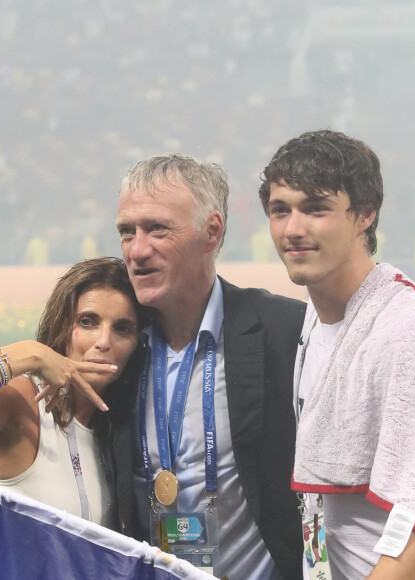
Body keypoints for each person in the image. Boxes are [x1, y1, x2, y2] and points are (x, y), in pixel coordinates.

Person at [259, 129, 415, 579]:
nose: (293, 228)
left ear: (365, 214)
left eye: (316, 208)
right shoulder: (317, 315)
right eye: (280, 210)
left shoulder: (409, 331)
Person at [111, 153, 306, 580]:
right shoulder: (114, 346)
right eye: (127, 232)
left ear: (211, 231)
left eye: (158, 229)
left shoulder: (285, 332)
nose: (137, 250)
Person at [0, 257, 145, 528]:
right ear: (60, 326)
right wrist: (30, 352)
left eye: (122, 328)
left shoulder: (114, 431)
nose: (104, 342)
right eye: (87, 322)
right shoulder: (23, 399)